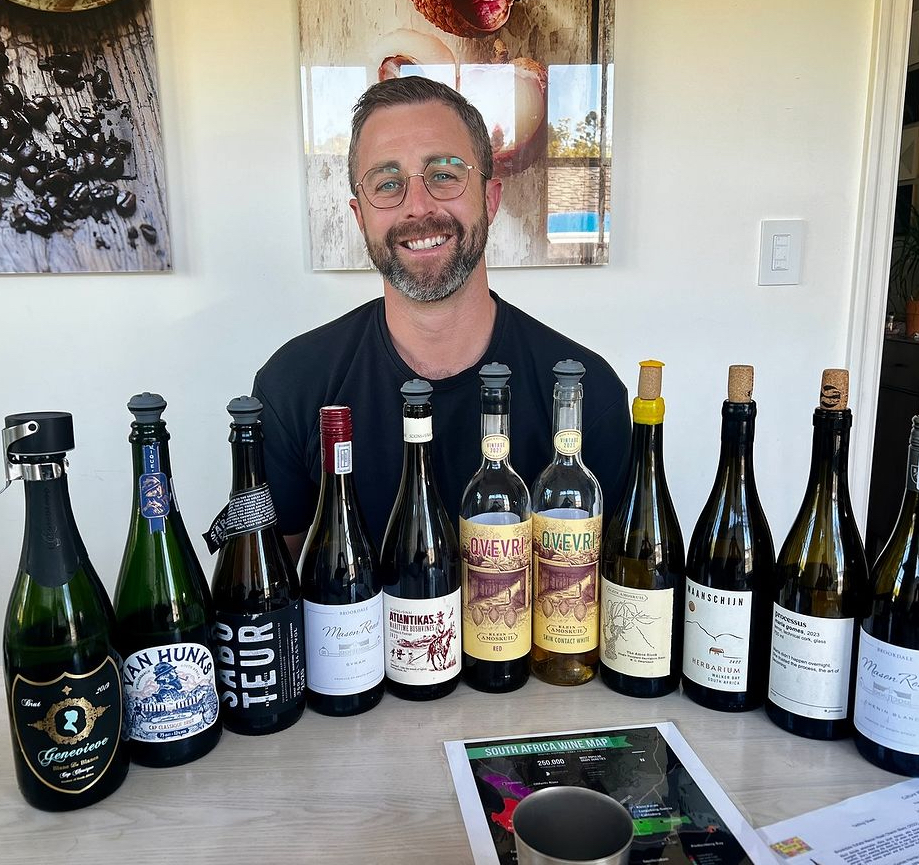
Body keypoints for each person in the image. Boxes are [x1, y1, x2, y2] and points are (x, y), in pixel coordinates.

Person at [253, 76, 630, 562]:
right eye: (387, 183)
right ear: (360, 216)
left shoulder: (587, 393)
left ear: (490, 199)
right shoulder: (293, 387)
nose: (418, 205)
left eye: (445, 174)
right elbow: (266, 597)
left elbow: (628, 600)